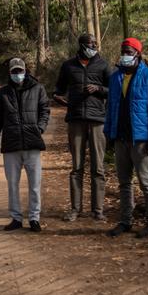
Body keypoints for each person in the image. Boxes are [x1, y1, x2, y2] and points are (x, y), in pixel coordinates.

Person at [103, 38, 148, 239]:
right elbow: (111, 108)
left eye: (128, 51)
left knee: (146, 181)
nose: (124, 54)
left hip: (141, 139)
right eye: (123, 50)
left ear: (137, 53)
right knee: (124, 182)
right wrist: (108, 133)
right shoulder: (115, 77)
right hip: (120, 138)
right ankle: (125, 221)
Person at [53, 34, 113, 222]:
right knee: (76, 167)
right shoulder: (68, 66)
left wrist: (99, 89)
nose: (93, 46)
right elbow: (58, 90)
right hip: (76, 119)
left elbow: (113, 90)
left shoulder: (103, 65)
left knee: (98, 167)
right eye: (90, 44)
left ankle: (98, 210)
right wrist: (58, 98)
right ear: (80, 45)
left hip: (97, 120)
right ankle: (74, 209)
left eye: (95, 44)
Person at [0, 57, 50, 233]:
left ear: (26, 71)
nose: (18, 74)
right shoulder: (1, 94)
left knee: (35, 184)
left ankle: (34, 218)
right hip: (11, 144)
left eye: (20, 71)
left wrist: (40, 128)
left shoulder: (38, 89)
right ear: (9, 73)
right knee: (12, 184)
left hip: (32, 143)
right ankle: (16, 218)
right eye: (14, 71)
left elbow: (45, 110)